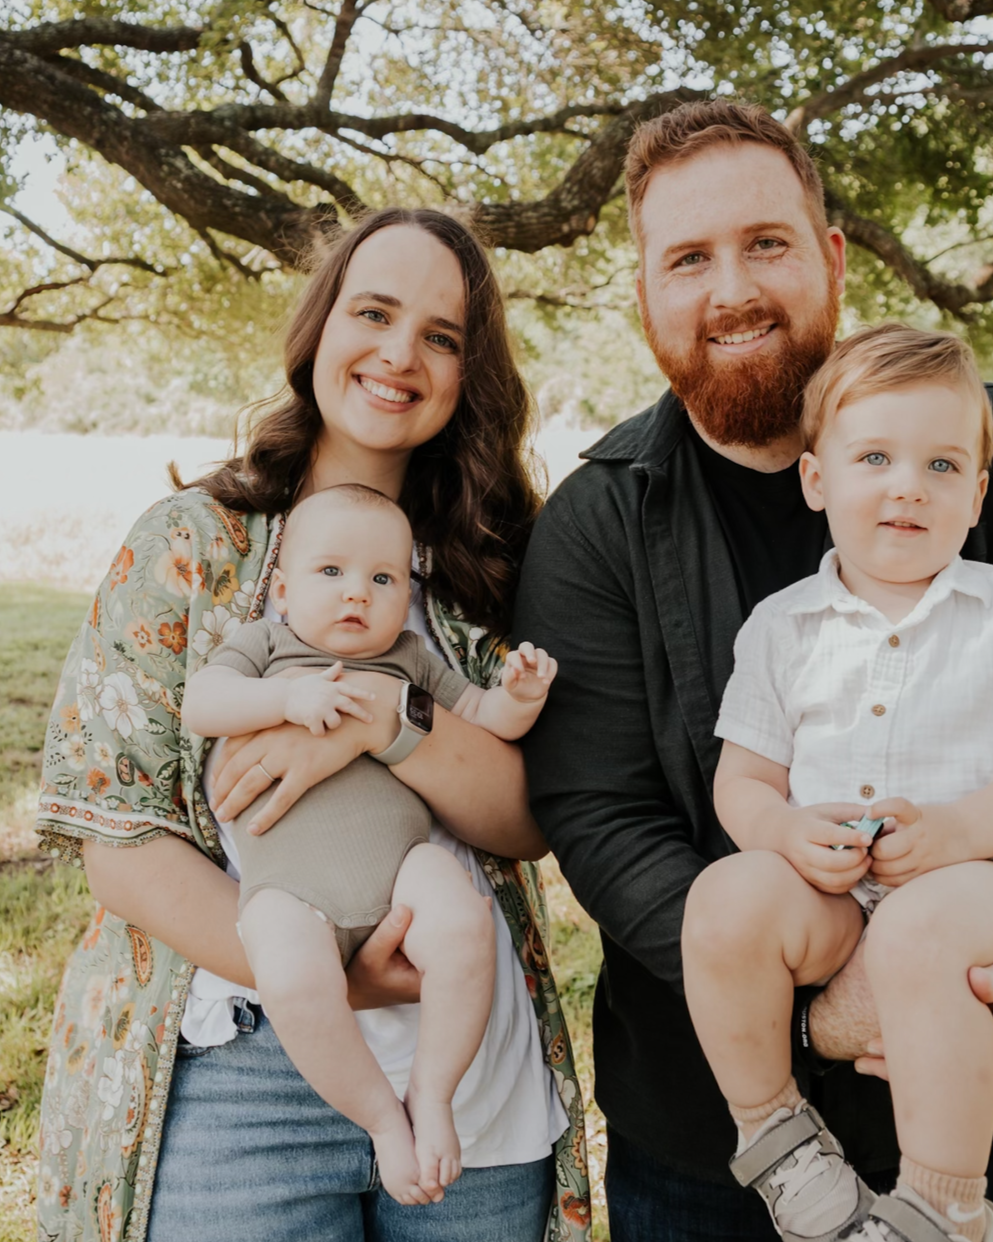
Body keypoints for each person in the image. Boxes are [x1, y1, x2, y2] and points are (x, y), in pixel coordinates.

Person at [514, 99, 993, 1242]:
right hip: (702, 1145)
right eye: (687, 258)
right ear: (645, 295)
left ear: (828, 258)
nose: (730, 288)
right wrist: (804, 1009)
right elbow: (598, 810)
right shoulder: (598, 519)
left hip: (989, 1095)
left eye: (764, 243)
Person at [33, 208, 591, 1242]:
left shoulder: (495, 561)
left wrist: (383, 720)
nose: (398, 354)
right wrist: (327, 975)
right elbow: (118, 837)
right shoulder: (191, 547)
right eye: (372, 312)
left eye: (441, 335)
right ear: (317, 328)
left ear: (472, 372)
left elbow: (530, 821)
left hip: (465, 1074)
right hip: (237, 1065)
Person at [682, 325, 993, 1242]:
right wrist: (784, 834)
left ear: (978, 493)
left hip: (981, 876)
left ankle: (943, 1204)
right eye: (874, 455)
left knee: (916, 931)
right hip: (834, 889)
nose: (909, 484)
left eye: (943, 465)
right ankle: (777, 1134)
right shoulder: (780, 626)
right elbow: (745, 778)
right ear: (817, 480)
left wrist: (958, 832)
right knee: (724, 898)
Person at [181, 482, 559, 1205]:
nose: (358, 593)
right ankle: (382, 1118)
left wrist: (519, 696)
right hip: (291, 887)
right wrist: (289, 700)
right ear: (283, 591)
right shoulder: (266, 645)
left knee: (463, 922)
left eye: (382, 579)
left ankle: (433, 1090)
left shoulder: (409, 657)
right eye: (332, 573)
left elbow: (479, 714)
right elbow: (204, 702)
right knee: (292, 976)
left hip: (400, 865)